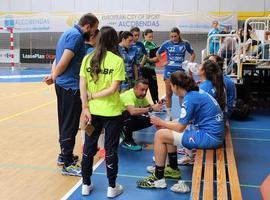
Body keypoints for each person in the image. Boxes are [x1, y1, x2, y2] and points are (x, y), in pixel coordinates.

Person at [137, 71, 224, 192]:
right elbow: (183, 122)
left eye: (171, 85)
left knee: (159, 135)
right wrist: (165, 125)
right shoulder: (194, 93)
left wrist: (161, 123)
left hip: (210, 137)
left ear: (176, 86)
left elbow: (179, 128)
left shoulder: (190, 98)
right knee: (165, 129)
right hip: (212, 133)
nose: (170, 88)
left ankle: (158, 179)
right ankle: (172, 169)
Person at [43, 13, 99, 176]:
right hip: (70, 88)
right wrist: (54, 76)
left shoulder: (68, 33)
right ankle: (67, 163)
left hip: (63, 85)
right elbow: (64, 60)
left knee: (65, 122)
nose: (94, 32)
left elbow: (56, 60)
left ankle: (64, 155)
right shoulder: (76, 37)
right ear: (88, 26)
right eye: (94, 29)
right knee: (70, 124)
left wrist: (54, 75)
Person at [80, 26, 125, 197]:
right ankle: (112, 188)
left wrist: (85, 106)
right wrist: (93, 95)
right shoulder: (117, 61)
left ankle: (86, 184)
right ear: (115, 41)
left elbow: (82, 85)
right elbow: (113, 89)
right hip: (112, 114)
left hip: (91, 113)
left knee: (89, 148)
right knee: (111, 149)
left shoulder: (87, 58)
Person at [157, 27, 195, 121]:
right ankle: (169, 115)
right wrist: (163, 62)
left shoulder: (185, 43)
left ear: (179, 35)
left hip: (180, 72)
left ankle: (184, 114)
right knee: (168, 93)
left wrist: (189, 64)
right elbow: (158, 53)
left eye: (175, 36)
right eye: (171, 36)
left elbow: (193, 54)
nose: (173, 38)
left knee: (181, 94)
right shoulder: (166, 43)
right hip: (169, 71)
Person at [120, 78, 163, 151]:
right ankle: (127, 141)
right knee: (128, 114)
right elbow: (132, 111)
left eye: (146, 90)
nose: (144, 92)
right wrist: (151, 108)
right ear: (135, 88)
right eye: (142, 90)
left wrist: (156, 106)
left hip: (125, 120)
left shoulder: (141, 96)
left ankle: (124, 130)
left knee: (150, 119)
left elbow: (148, 108)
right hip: (116, 121)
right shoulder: (128, 96)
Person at [142, 29, 159, 104]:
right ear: (144, 36)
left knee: (154, 87)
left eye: (152, 36)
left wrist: (152, 60)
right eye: (149, 37)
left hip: (151, 69)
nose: (151, 38)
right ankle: (141, 104)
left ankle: (156, 103)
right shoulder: (141, 44)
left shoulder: (154, 45)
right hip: (143, 69)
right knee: (142, 87)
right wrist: (145, 60)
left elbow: (157, 59)